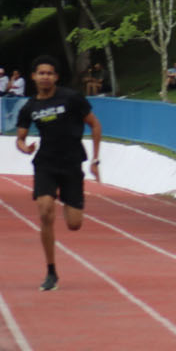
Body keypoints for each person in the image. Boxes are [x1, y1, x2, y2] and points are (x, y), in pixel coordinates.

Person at [14, 55, 103, 292]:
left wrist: (95, 159)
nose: (45, 77)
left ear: (56, 77)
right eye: (40, 73)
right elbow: (20, 139)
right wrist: (25, 148)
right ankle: (51, 271)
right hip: (45, 164)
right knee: (45, 211)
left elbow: (95, 124)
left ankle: (67, 199)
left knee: (74, 224)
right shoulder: (30, 107)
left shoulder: (71, 98)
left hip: (72, 163)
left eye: (49, 73)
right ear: (33, 76)